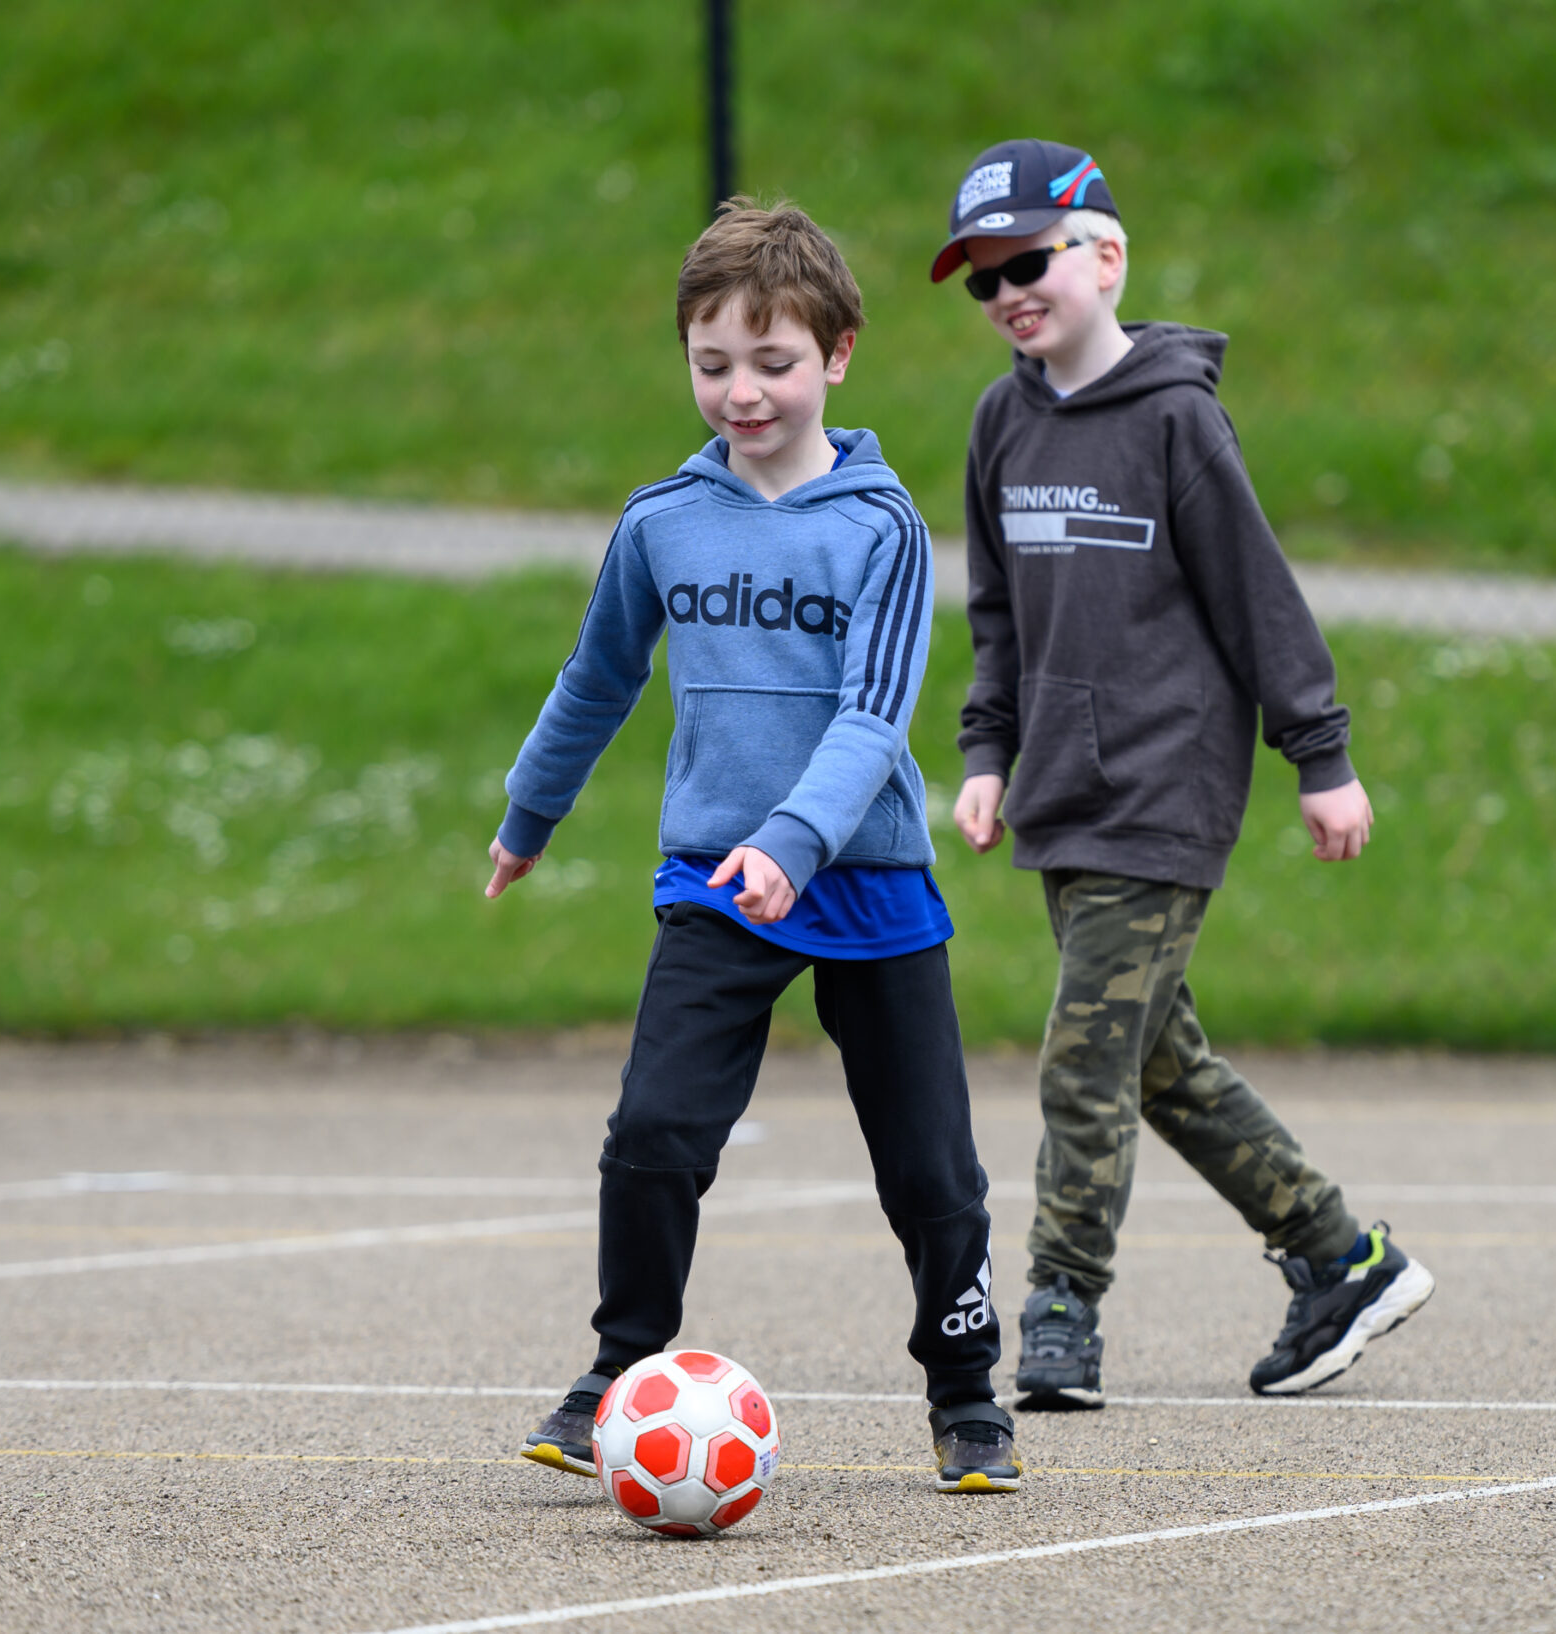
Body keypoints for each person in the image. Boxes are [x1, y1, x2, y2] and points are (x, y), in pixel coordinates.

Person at [488, 199, 1021, 1492]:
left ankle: (965, 1390)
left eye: (772, 362)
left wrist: (799, 840)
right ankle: (621, 1366)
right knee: (654, 1133)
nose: (741, 391)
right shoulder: (664, 518)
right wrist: (529, 812)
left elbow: (873, 713)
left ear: (838, 354)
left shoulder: (880, 527)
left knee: (930, 1169)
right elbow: (597, 677)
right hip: (719, 878)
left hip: (868, 876)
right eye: (711, 362)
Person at [928, 139, 1436, 1408]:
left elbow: (1259, 596)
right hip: (1059, 791)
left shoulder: (1175, 417)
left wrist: (1320, 756)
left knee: (1082, 1056)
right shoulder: (1001, 420)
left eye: (1028, 262)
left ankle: (1058, 1307)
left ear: (1104, 255)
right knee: (1158, 1062)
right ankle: (1341, 1254)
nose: (1007, 294)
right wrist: (987, 749)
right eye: (983, 280)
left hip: (1164, 786)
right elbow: (998, 612)